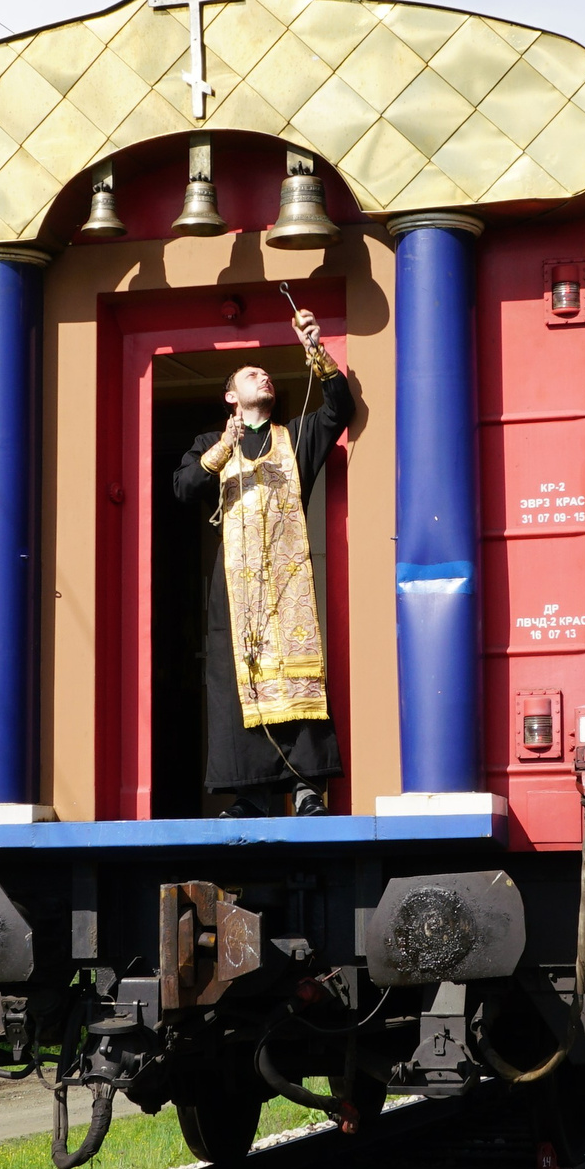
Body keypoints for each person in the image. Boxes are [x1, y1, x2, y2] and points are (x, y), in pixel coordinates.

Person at [170, 309, 354, 818]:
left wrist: (315, 350)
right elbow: (183, 488)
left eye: (267, 374)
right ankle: (250, 794)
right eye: (251, 374)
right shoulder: (210, 443)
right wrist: (222, 450)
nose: (263, 377)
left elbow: (339, 409)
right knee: (238, 681)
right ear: (231, 396)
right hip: (234, 589)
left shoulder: (295, 436)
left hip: (288, 585)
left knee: (296, 675)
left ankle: (306, 789)